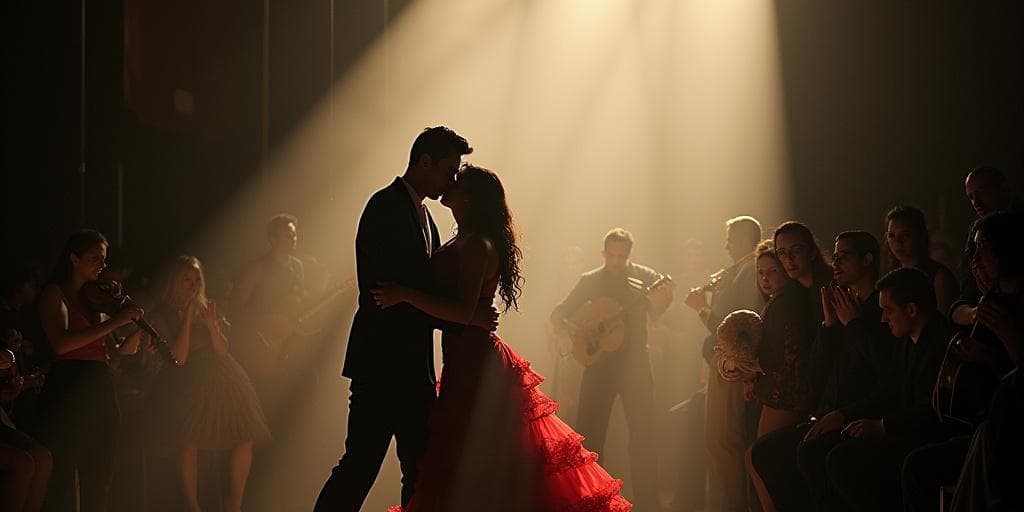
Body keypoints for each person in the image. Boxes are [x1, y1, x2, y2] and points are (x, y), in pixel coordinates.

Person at [375, 164, 632, 511]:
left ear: (469, 197)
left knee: (484, 458)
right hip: (463, 360)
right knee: (472, 459)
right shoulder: (463, 238)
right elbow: (462, 310)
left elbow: (463, 310)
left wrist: (405, 294)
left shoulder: (478, 245)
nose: (450, 182)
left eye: (458, 181)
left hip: (477, 364)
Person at [314, 127, 486, 511]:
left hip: (412, 368)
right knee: (361, 465)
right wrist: (462, 317)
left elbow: (414, 292)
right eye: (448, 170)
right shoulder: (385, 206)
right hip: (381, 364)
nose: (451, 180)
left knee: (417, 471)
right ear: (424, 162)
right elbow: (390, 291)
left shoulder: (424, 215)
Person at [749, 231, 892, 511]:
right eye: (834, 257)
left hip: (860, 412)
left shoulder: (881, 307)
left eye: (844, 257)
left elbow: (883, 368)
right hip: (832, 407)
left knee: (808, 455)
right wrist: (829, 326)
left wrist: (853, 325)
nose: (836, 263)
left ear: (867, 260)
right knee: (764, 452)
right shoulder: (841, 301)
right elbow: (819, 366)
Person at [798, 268, 950, 511]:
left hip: (922, 436)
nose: (883, 319)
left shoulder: (940, 344)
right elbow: (887, 389)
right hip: (900, 427)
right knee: (813, 449)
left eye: (888, 310)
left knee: (841, 460)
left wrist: (882, 425)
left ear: (911, 309)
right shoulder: (906, 341)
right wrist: (843, 415)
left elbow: (932, 410)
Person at [551, 227, 673, 511]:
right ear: (603, 253)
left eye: (622, 256)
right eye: (612, 255)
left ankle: (648, 503)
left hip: (636, 367)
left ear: (629, 255)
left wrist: (661, 302)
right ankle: (591, 499)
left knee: (643, 435)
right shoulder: (590, 280)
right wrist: (577, 330)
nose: (617, 261)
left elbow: (660, 308)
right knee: (590, 433)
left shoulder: (645, 277)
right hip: (599, 367)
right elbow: (559, 313)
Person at [147, 255, 271, 512]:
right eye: (187, 279)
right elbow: (179, 357)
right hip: (187, 380)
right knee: (189, 441)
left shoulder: (207, 308)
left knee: (245, 436)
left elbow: (223, 350)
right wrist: (188, 319)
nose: (193, 286)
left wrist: (212, 325)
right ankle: (193, 506)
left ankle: (234, 504)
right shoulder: (161, 314)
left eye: (197, 280)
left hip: (221, 376)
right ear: (173, 281)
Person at [34, 230, 146, 512]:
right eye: (95, 258)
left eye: (104, 259)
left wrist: (136, 330)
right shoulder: (55, 293)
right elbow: (61, 344)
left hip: (99, 383)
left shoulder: (95, 299)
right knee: (62, 474)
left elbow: (116, 351)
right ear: (74, 259)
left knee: (99, 473)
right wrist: (115, 322)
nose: (102, 265)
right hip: (69, 385)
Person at [682, 216, 764, 512]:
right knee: (719, 442)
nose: (726, 246)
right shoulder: (737, 271)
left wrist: (702, 309)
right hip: (723, 363)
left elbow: (734, 327)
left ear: (742, 239)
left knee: (724, 440)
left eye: (729, 239)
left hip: (732, 366)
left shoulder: (748, 272)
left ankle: (738, 505)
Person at [884, 205, 960, 314]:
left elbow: (942, 321)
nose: (897, 242)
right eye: (891, 236)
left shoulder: (939, 278)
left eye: (905, 235)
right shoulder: (892, 277)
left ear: (921, 236)